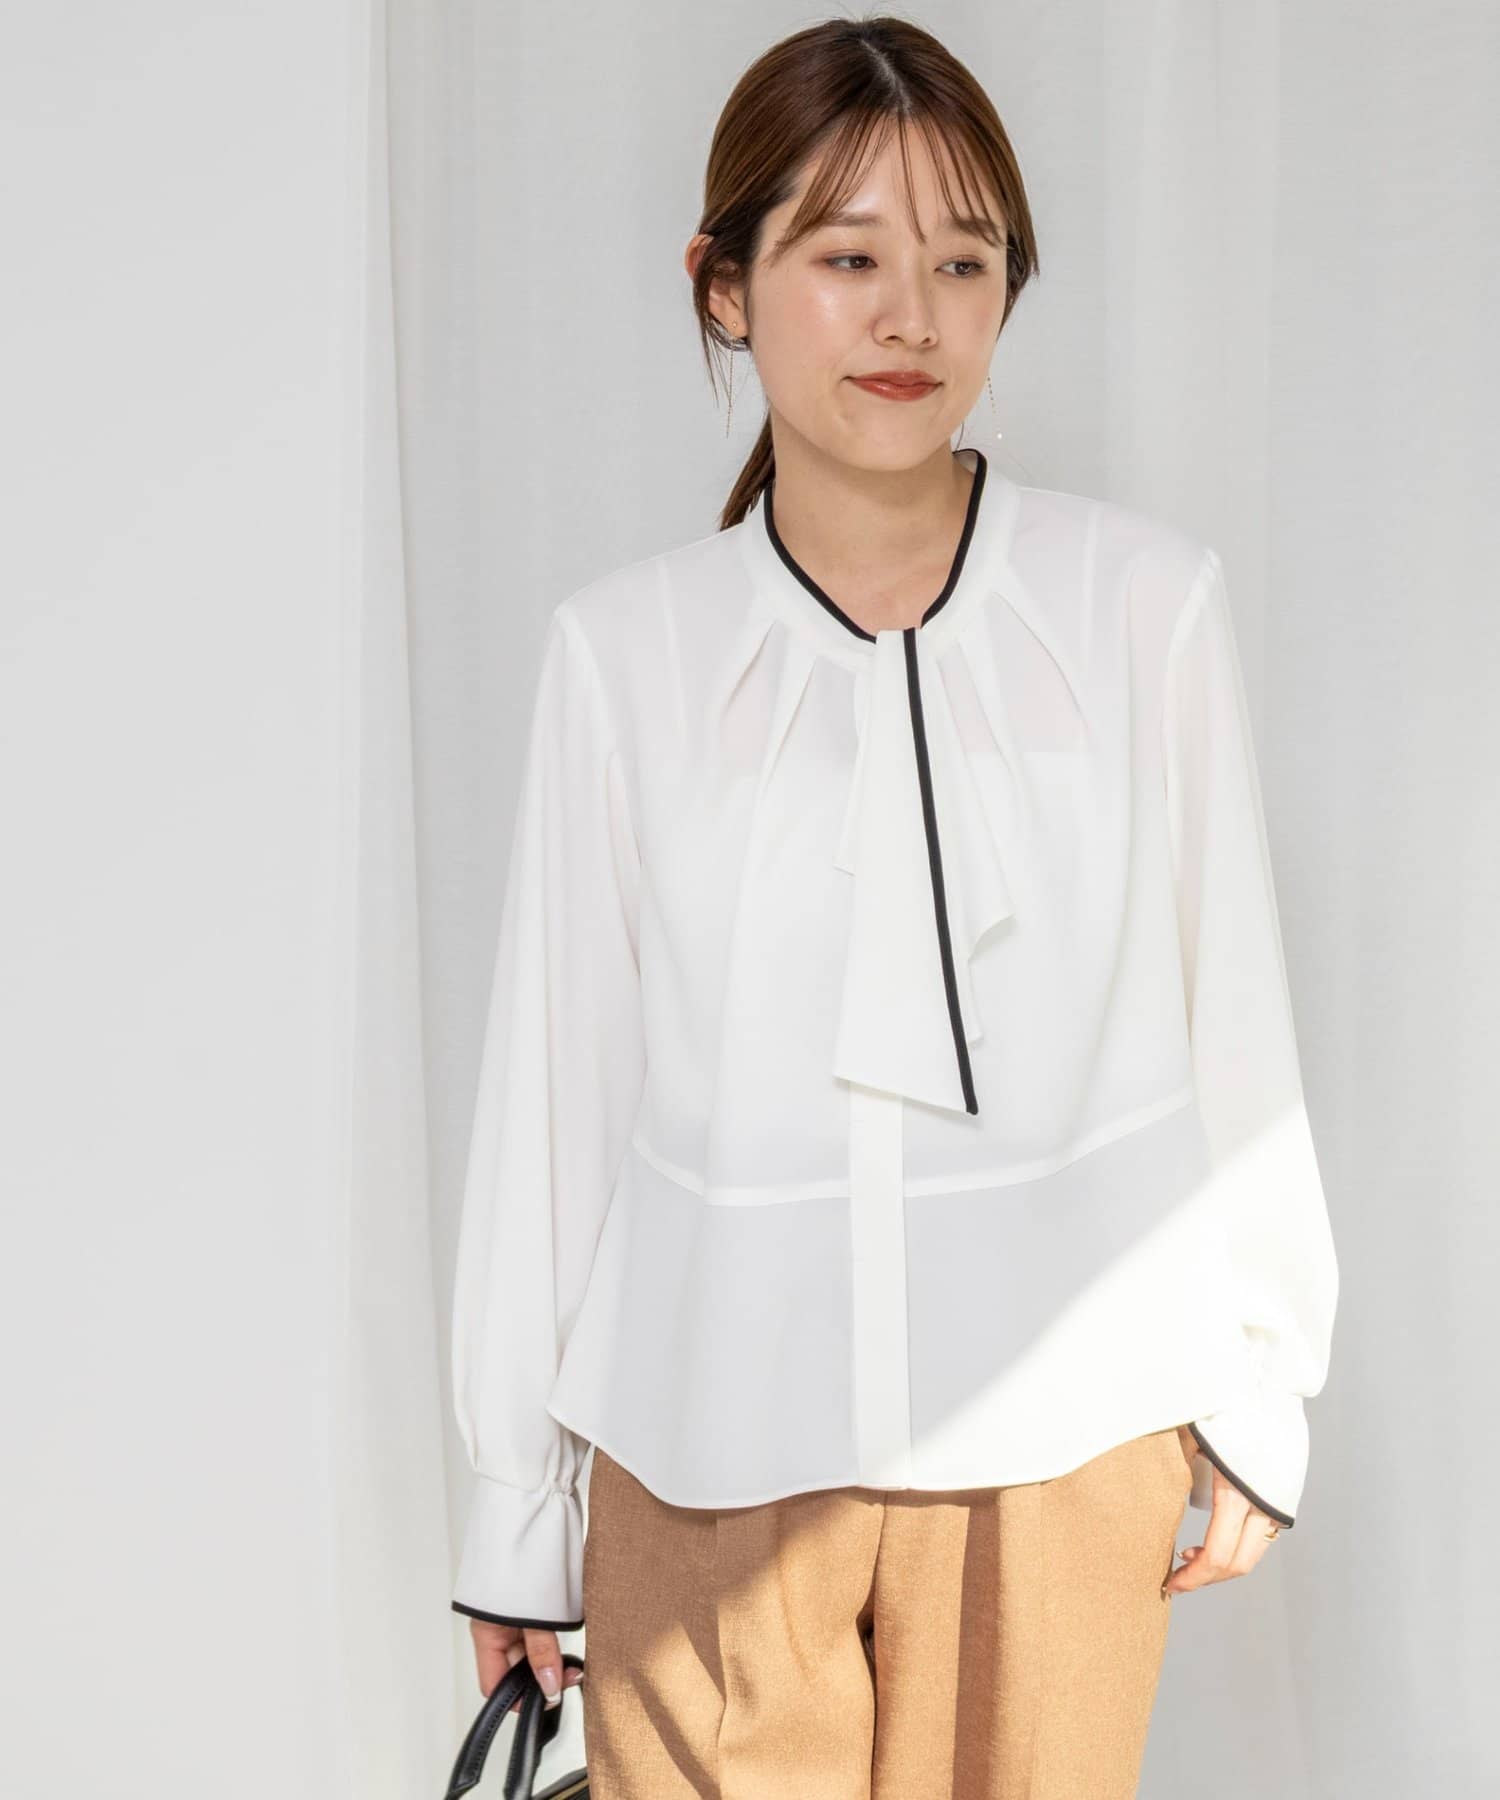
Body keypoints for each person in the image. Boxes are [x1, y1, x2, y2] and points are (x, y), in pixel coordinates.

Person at [447, 16, 1339, 1797]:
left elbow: (1232, 1013)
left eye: (963, 261)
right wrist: (514, 1505)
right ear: (724, 288)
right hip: (702, 1455)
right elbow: (559, 1095)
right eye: (847, 258)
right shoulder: (625, 655)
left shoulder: (1142, 608)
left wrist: (1262, 1380)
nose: (910, 317)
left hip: (1065, 1447)